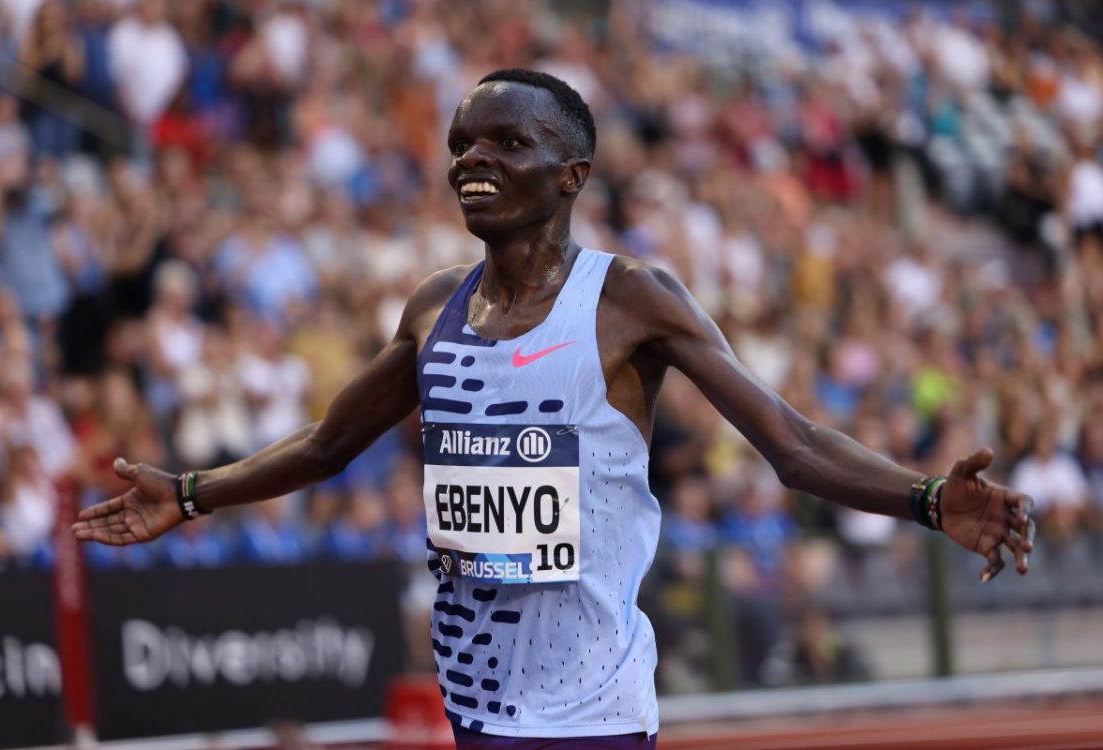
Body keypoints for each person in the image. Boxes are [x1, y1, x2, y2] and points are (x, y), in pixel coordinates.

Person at [74, 69, 1035, 749]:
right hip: (475, 697)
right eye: (459, 145)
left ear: (571, 174)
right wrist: (193, 493)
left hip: (591, 712)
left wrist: (921, 499)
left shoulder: (627, 300)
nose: (471, 160)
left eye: (505, 142)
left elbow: (790, 443)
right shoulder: (432, 307)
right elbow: (328, 446)